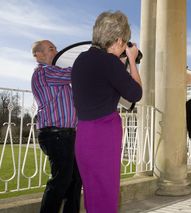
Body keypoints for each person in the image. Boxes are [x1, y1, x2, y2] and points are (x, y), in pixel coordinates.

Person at [71, 11, 142, 213]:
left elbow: (99, 87)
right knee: (106, 195)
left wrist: (118, 65)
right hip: (103, 135)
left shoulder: (81, 60)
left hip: (84, 134)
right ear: (119, 39)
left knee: (94, 194)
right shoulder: (109, 62)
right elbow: (136, 93)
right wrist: (133, 60)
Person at [31, 40, 82, 213]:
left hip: (66, 135)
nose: (56, 51)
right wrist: (89, 60)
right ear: (39, 55)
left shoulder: (55, 75)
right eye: (51, 49)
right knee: (61, 180)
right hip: (56, 135)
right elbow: (75, 73)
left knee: (74, 180)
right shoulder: (45, 72)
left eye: (55, 48)